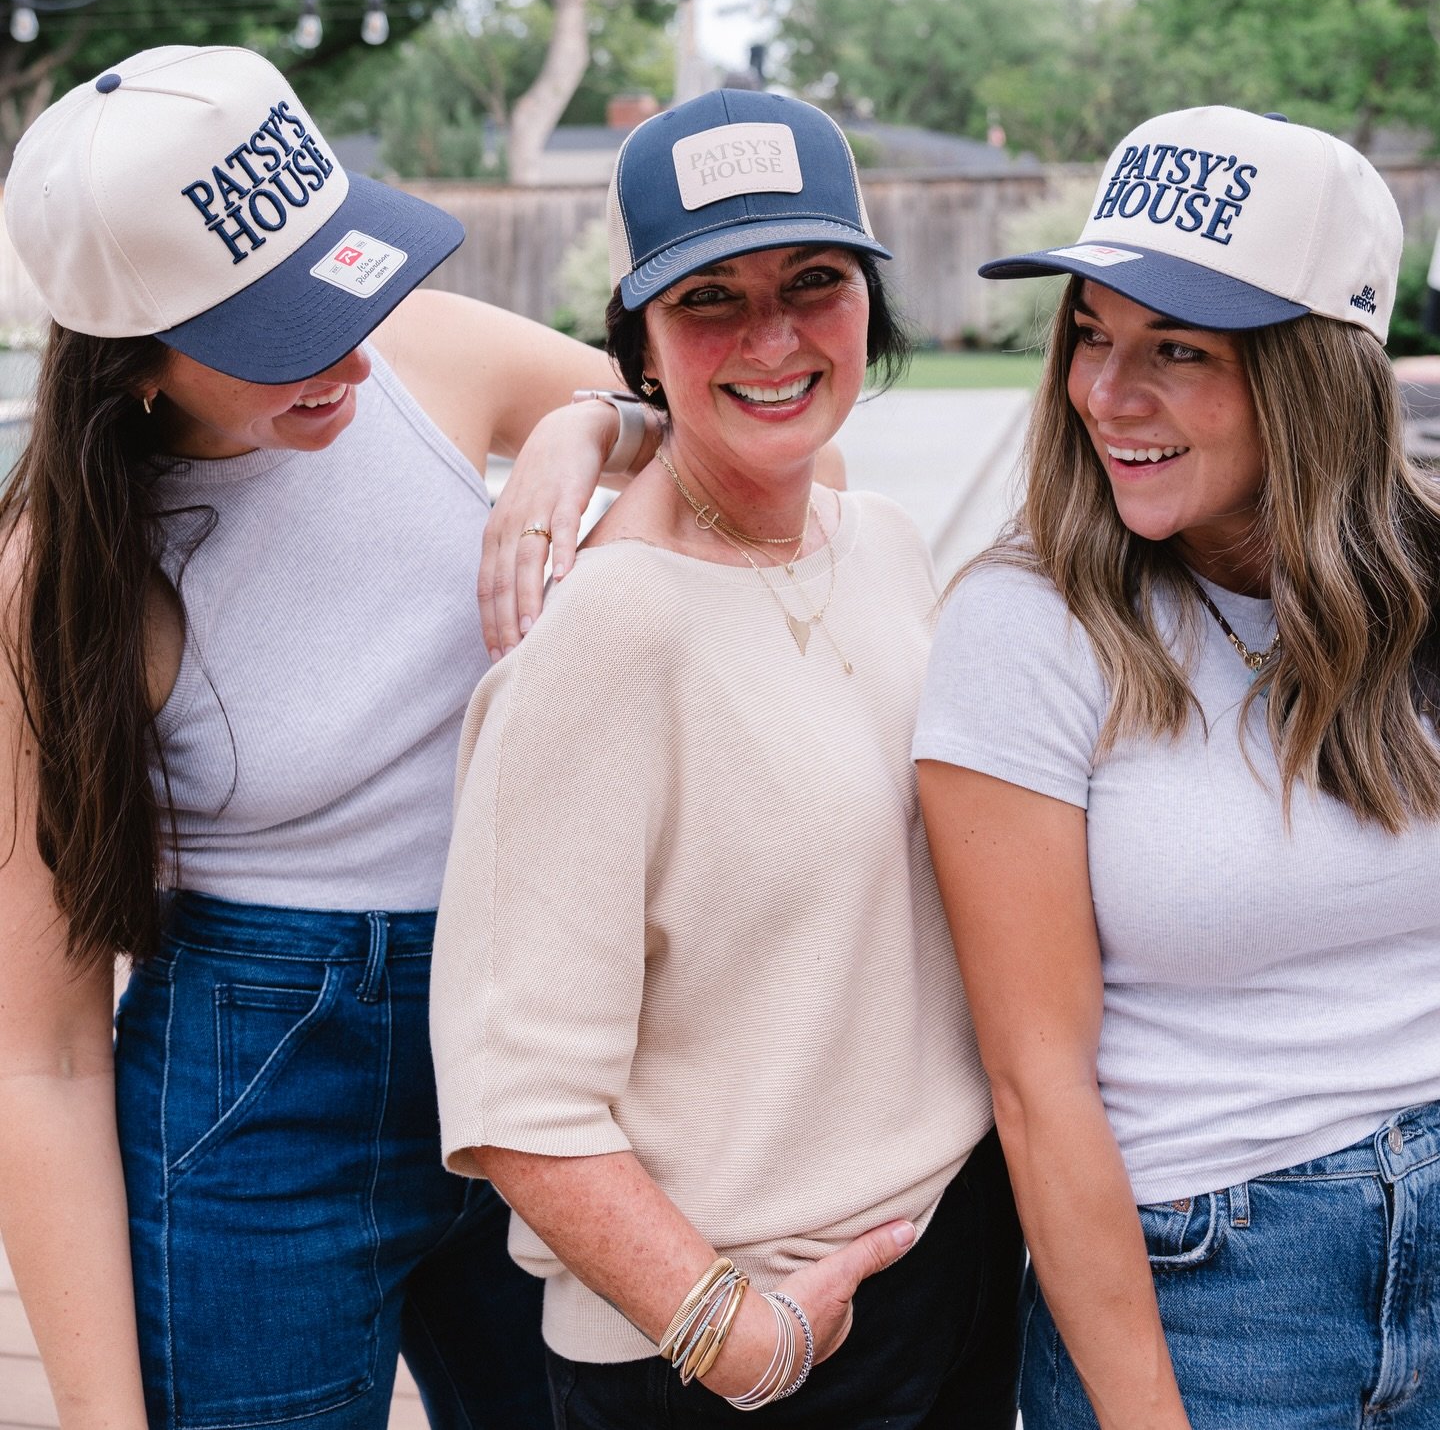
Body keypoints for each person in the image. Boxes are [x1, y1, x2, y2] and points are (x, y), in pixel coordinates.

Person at [0, 43, 671, 1430]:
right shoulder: (52, 580)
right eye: (280, 337)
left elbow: (789, 459)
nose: (355, 351)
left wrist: (592, 427)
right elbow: (39, 1056)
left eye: (346, 283)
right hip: (256, 1097)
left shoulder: (428, 362)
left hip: (530, 1035)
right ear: (131, 366)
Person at [429, 89, 1023, 1429]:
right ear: (640, 342)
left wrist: (602, 424)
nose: (773, 336)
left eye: (815, 282)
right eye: (709, 300)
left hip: (950, 1263)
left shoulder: (877, 543)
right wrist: (729, 1333)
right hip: (741, 1336)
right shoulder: (611, 634)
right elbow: (514, 1088)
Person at [913, 106, 1440, 1429]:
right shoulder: (1027, 626)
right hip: (1217, 1296)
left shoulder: (1422, 591)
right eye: (1090, 334)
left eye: (1176, 349)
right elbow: (1038, 1088)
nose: (1105, 391)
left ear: (1315, 376)